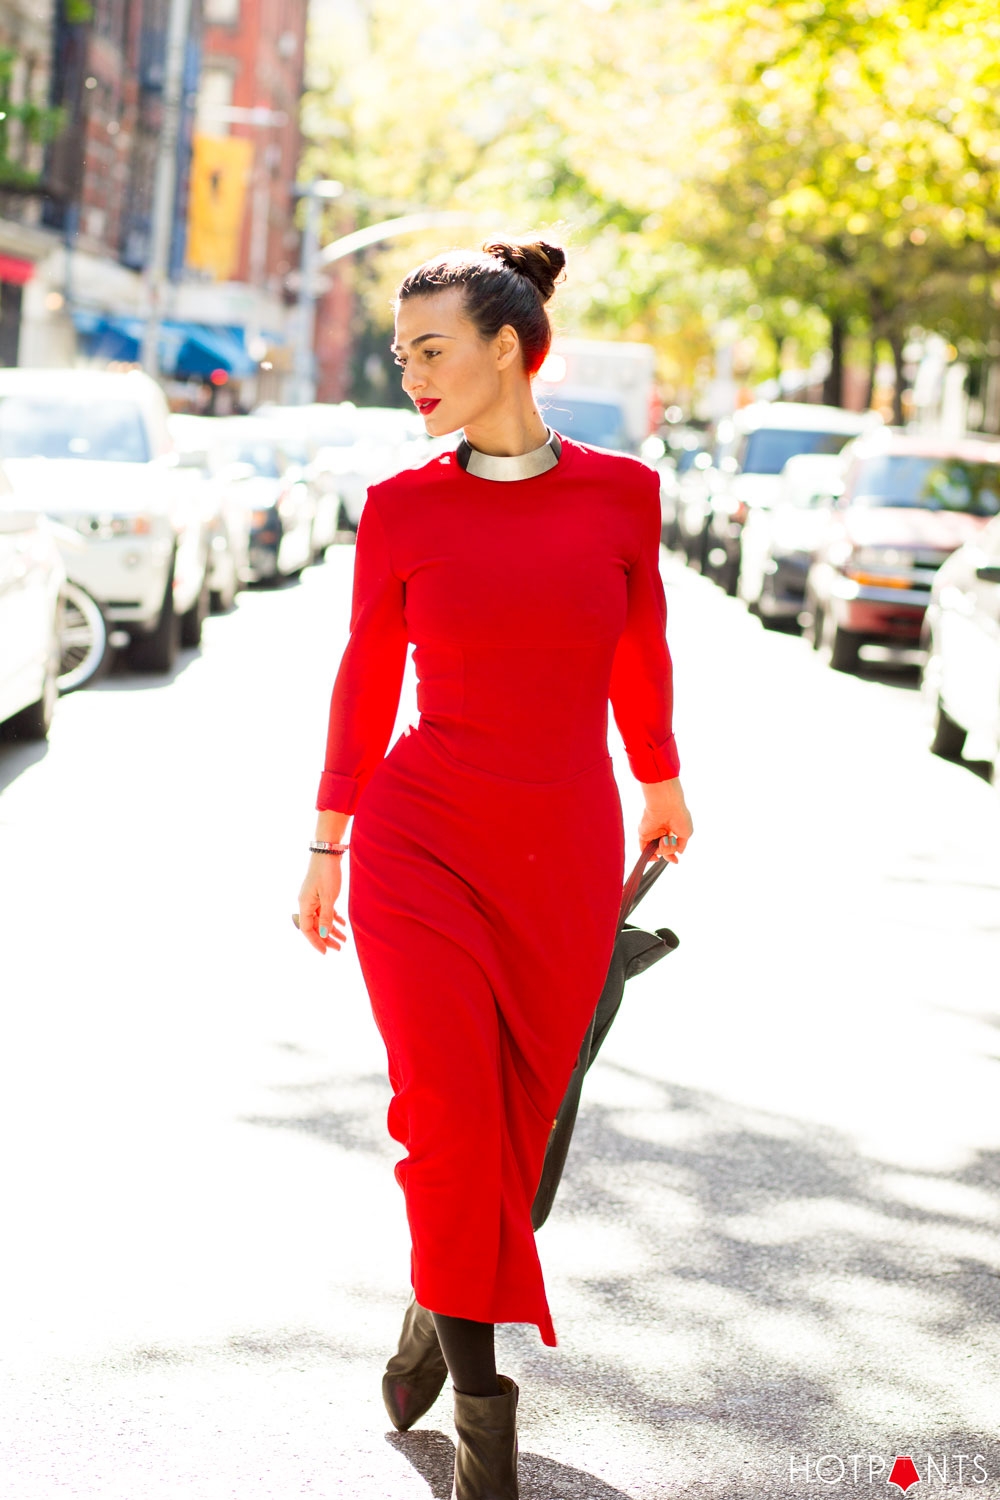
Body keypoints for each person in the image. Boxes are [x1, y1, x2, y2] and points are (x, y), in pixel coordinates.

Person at [297, 238, 693, 1499]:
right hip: (423, 841)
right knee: (449, 1118)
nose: (408, 373)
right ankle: (482, 1407)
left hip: (564, 842)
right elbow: (367, 673)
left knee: (520, 1141)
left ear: (509, 348)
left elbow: (641, 648)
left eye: (430, 350)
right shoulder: (406, 505)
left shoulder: (623, 493)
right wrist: (329, 839)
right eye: (401, 352)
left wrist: (661, 777)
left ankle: (436, 1304)